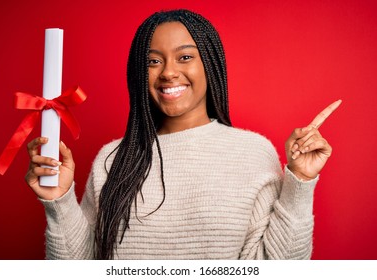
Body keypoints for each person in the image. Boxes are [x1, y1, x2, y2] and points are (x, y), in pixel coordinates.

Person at [25, 9, 341, 260]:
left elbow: (279, 266)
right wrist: (58, 200)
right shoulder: (113, 157)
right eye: (153, 61)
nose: (168, 72)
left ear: (210, 64)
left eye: (185, 57)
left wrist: (299, 181)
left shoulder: (254, 152)